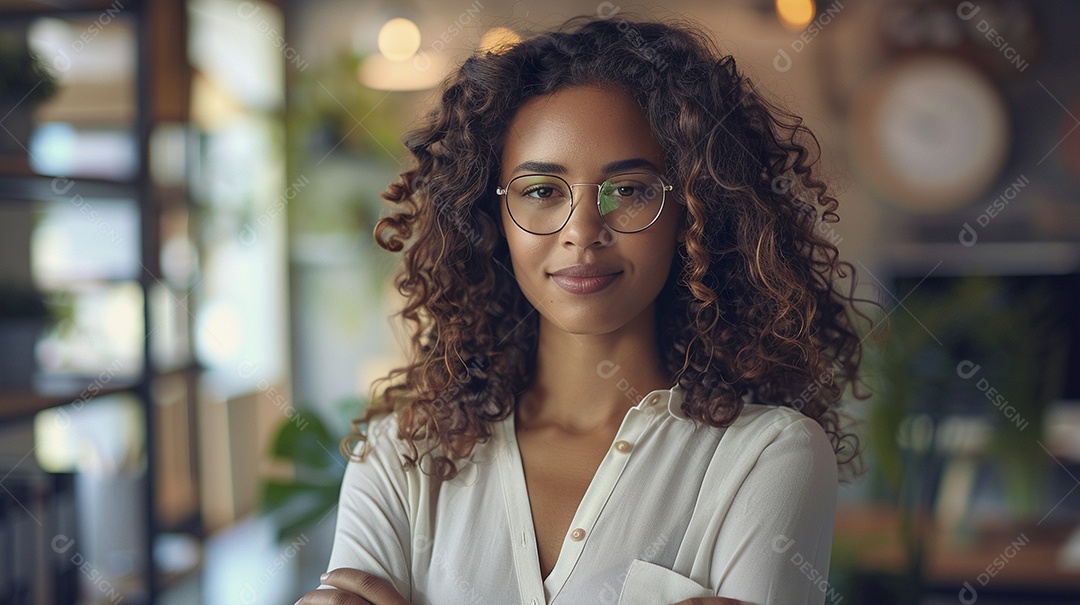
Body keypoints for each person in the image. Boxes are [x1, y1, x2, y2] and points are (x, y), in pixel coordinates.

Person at [297, 12, 876, 605]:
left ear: (694, 212)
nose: (582, 232)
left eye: (628, 190)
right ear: (491, 216)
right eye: (543, 191)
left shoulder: (768, 457)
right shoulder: (404, 453)